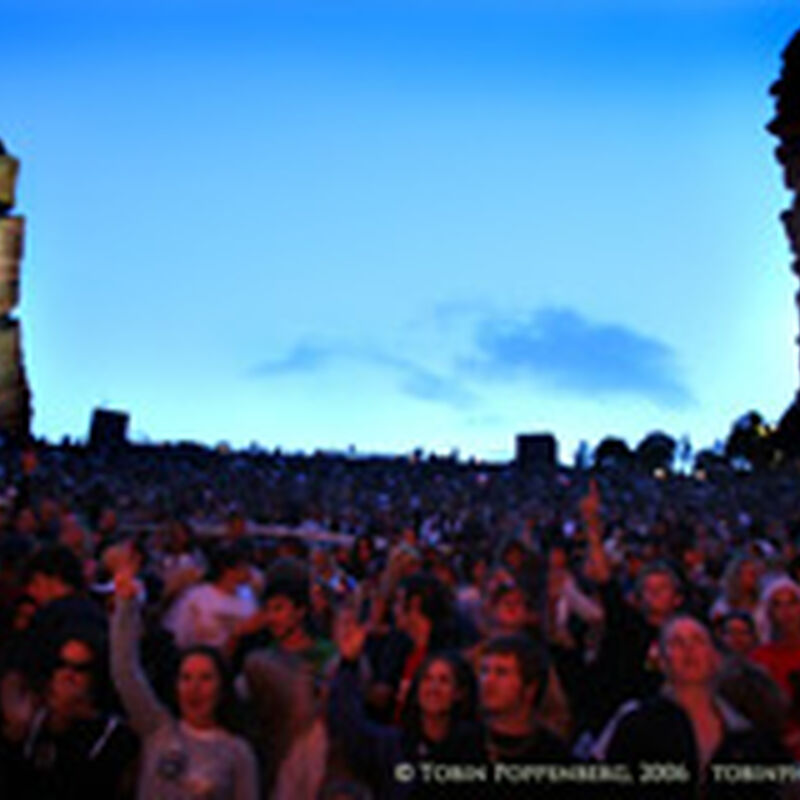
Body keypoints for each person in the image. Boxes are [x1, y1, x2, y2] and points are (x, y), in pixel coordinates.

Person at [596, 615, 787, 800]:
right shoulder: (637, 723)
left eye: (698, 640)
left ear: (714, 658)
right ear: (662, 661)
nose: (689, 649)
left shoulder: (744, 727)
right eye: (677, 642)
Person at [111, 566, 259, 800]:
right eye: (186, 678)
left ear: (222, 688)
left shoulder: (237, 753)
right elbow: (125, 671)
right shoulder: (157, 728)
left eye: (205, 678)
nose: (194, 688)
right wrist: (125, 607)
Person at [328, 606, 483, 800]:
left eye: (444, 680)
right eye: (427, 679)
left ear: (459, 692)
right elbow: (349, 727)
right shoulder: (394, 747)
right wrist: (349, 665)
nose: (433, 688)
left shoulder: (477, 749)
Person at [2, 625, 139, 799]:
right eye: (62, 665)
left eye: (79, 669)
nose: (67, 675)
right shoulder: (33, 723)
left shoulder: (114, 736)